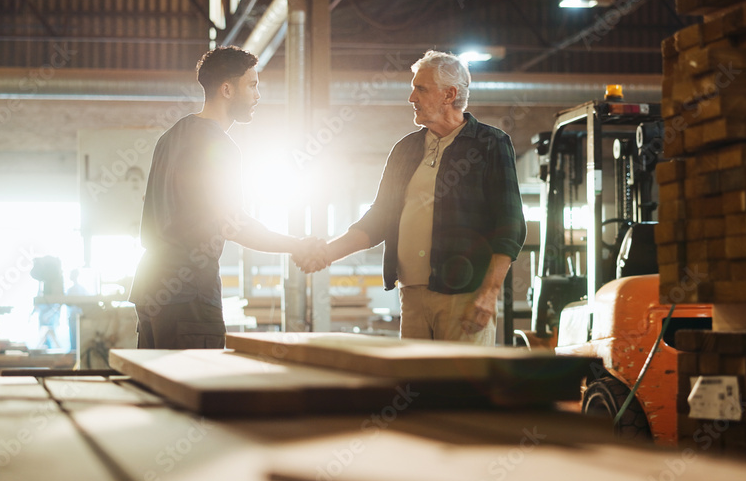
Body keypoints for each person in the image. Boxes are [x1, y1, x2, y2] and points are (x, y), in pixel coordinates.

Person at [296, 50, 525, 346]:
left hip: (465, 296)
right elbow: (379, 218)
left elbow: (510, 225)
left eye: (421, 88)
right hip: (412, 294)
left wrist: (489, 294)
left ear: (449, 94)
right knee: (416, 388)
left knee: (463, 391)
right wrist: (326, 253)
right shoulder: (405, 150)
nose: (411, 97)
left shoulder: (490, 144)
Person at [130, 46, 324, 349]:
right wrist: (297, 245)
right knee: (194, 392)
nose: (258, 95)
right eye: (252, 84)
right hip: (188, 293)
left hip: (151, 288)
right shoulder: (219, 146)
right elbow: (235, 225)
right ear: (226, 89)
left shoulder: (170, 137)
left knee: (156, 390)